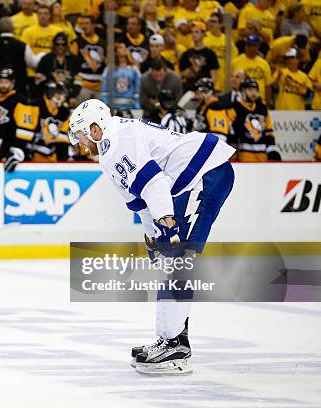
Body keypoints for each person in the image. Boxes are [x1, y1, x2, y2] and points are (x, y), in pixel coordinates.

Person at [68, 98, 235, 375]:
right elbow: (141, 201)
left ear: (96, 128)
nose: (81, 143)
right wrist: (153, 236)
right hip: (190, 179)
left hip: (205, 173)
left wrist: (167, 228)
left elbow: (154, 183)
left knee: (178, 261)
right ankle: (173, 339)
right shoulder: (111, 147)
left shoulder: (117, 140)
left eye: (83, 135)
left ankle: (175, 345)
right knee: (172, 261)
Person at [0, 16, 42, 96]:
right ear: (13, 28)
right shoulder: (22, 46)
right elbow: (33, 64)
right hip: (18, 89)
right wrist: (41, 55)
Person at [227, 77, 280, 162]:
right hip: (243, 158)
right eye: (250, 90)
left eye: (255, 90)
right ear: (243, 91)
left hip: (262, 157)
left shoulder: (262, 108)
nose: (254, 93)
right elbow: (231, 134)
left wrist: (272, 150)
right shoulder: (234, 108)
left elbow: (268, 132)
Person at [28, 81, 70, 162]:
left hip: (52, 158)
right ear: (51, 94)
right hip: (32, 156)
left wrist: (63, 161)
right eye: (59, 93)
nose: (62, 96)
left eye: (62, 94)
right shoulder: (36, 106)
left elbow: (62, 140)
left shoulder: (64, 112)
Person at [35, 32, 80, 106]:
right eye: (57, 44)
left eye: (63, 44)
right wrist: (48, 92)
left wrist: (73, 96)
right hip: (49, 96)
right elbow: (38, 79)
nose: (60, 47)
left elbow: (78, 80)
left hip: (68, 96)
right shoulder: (46, 59)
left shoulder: (74, 60)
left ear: (67, 45)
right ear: (54, 45)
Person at [71, 14, 106, 102]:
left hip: (100, 84)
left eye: (87, 23)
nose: (84, 26)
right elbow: (72, 64)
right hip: (83, 84)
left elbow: (107, 63)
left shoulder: (103, 43)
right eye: (82, 24)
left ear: (94, 25)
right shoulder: (76, 42)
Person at [179, 21, 219, 92]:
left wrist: (209, 89)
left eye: (197, 32)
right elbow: (180, 75)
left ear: (203, 34)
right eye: (192, 32)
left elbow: (214, 77)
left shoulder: (210, 54)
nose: (194, 35)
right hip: (189, 90)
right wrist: (184, 74)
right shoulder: (186, 54)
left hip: (204, 91)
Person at [230, 35, 272, 102]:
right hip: (240, 100)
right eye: (248, 45)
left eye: (253, 45)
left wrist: (267, 102)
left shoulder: (264, 63)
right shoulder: (235, 62)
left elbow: (268, 85)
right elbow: (231, 83)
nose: (251, 48)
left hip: (259, 101)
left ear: (258, 47)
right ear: (245, 46)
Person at [203, 12, 237, 94]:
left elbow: (233, 61)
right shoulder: (204, 38)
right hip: (206, 80)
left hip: (222, 81)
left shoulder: (227, 40)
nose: (211, 24)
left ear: (221, 24)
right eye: (210, 21)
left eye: (214, 22)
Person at [101, 42, 141, 111]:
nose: (124, 49)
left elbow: (138, 88)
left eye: (125, 47)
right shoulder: (109, 68)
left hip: (130, 106)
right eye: (121, 47)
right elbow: (105, 88)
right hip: (113, 106)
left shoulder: (134, 68)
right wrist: (106, 105)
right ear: (115, 52)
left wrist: (137, 106)